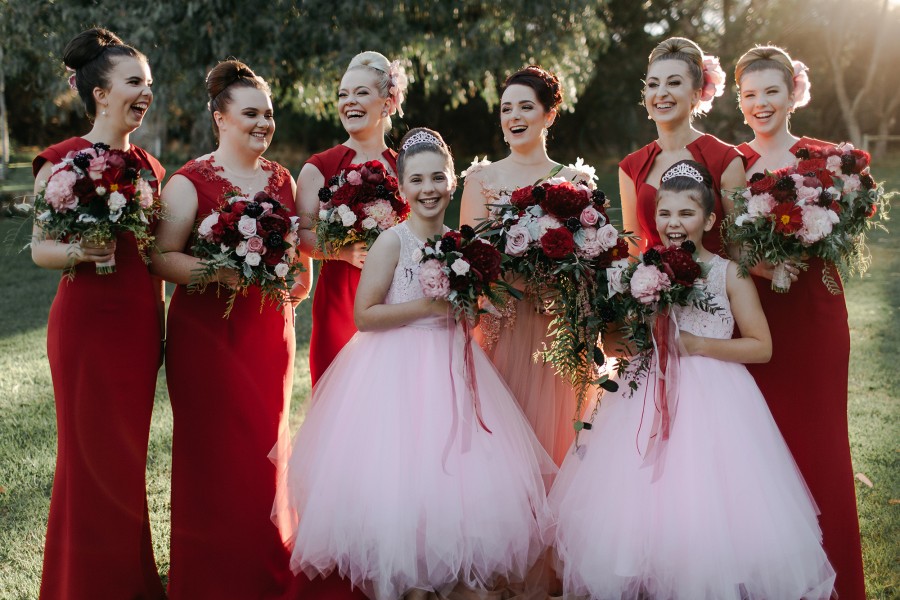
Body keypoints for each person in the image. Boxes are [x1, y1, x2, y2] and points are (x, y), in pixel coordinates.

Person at [279, 128, 554, 600]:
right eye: (417, 180)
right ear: (403, 188)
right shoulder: (392, 242)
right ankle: (409, 582)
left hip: (453, 372)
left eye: (437, 179)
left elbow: (470, 312)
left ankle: (447, 580)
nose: (428, 189)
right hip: (395, 373)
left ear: (451, 183)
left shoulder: (462, 244)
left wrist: (472, 307)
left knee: (453, 476)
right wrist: (430, 308)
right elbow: (365, 316)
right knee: (403, 475)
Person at [549, 160, 835, 600]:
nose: (673, 224)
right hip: (644, 396)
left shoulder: (729, 273)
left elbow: (762, 346)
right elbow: (620, 342)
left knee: (708, 506)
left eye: (686, 214)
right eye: (665, 213)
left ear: (709, 219)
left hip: (716, 401)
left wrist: (699, 345)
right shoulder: (638, 270)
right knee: (638, 505)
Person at [150, 60, 310, 599]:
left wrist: (298, 273)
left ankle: (265, 567)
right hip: (209, 342)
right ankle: (211, 577)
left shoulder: (282, 179)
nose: (263, 124)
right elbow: (159, 258)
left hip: (269, 335)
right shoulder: (188, 182)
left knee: (267, 451)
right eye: (251, 114)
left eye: (268, 115)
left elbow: (293, 253)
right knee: (215, 459)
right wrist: (217, 270)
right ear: (220, 118)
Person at [30, 27, 166, 600]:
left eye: (149, 84)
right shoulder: (60, 161)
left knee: (126, 461)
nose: (145, 92)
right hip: (84, 326)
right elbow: (40, 248)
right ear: (101, 93)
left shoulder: (154, 168)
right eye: (134, 82)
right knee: (87, 462)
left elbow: (157, 256)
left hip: (138, 326)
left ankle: (128, 583)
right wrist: (79, 250)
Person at [734, 45, 865, 599]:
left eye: (771, 92)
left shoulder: (831, 159)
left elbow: (850, 229)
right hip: (755, 321)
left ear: (792, 93)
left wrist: (814, 239)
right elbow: (723, 243)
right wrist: (763, 263)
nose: (761, 104)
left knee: (823, 448)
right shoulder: (731, 161)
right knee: (760, 456)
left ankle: (838, 585)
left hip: (815, 317)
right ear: (739, 102)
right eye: (750, 95)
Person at [459, 65, 587, 466]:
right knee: (501, 446)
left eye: (525, 107)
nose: (513, 116)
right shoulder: (481, 179)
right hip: (501, 321)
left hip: (555, 325)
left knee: (557, 434)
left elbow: (589, 256)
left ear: (549, 115)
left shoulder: (574, 180)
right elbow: (470, 257)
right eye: (506, 108)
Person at [296, 50, 406, 386]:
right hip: (341, 299)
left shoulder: (405, 165)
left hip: (397, 296)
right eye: (343, 94)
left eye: (360, 93)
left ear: (387, 103)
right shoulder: (320, 166)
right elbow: (302, 235)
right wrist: (342, 252)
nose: (349, 102)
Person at [619, 37, 745, 255]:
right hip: (653, 285)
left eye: (674, 83)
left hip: (717, 285)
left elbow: (738, 248)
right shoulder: (631, 167)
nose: (661, 93)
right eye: (653, 84)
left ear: (696, 94)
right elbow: (633, 252)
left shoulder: (725, 160)